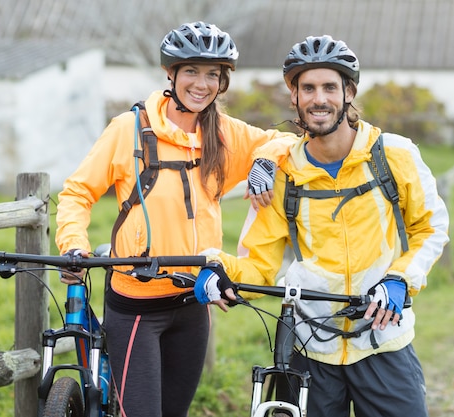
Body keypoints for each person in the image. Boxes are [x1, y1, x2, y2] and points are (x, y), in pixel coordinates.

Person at [195, 35, 450, 417]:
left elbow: (431, 229)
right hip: (309, 349)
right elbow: (260, 267)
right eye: (308, 88)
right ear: (294, 97)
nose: (319, 99)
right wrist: (216, 268)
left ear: (348, 92)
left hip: (383, 342)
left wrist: (399, 278)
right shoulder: (282, 173)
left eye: (330, 87)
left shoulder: (394, 155)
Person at [55, 21, 295, 417]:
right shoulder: (127, 130)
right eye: (192, 72)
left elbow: (286, 138)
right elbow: (77, 193)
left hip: (193, 303)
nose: (202, 84)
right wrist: (73, 245)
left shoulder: (224, 135)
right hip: (136, 304)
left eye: (213, 75)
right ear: (171, 73)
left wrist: (265, 162)